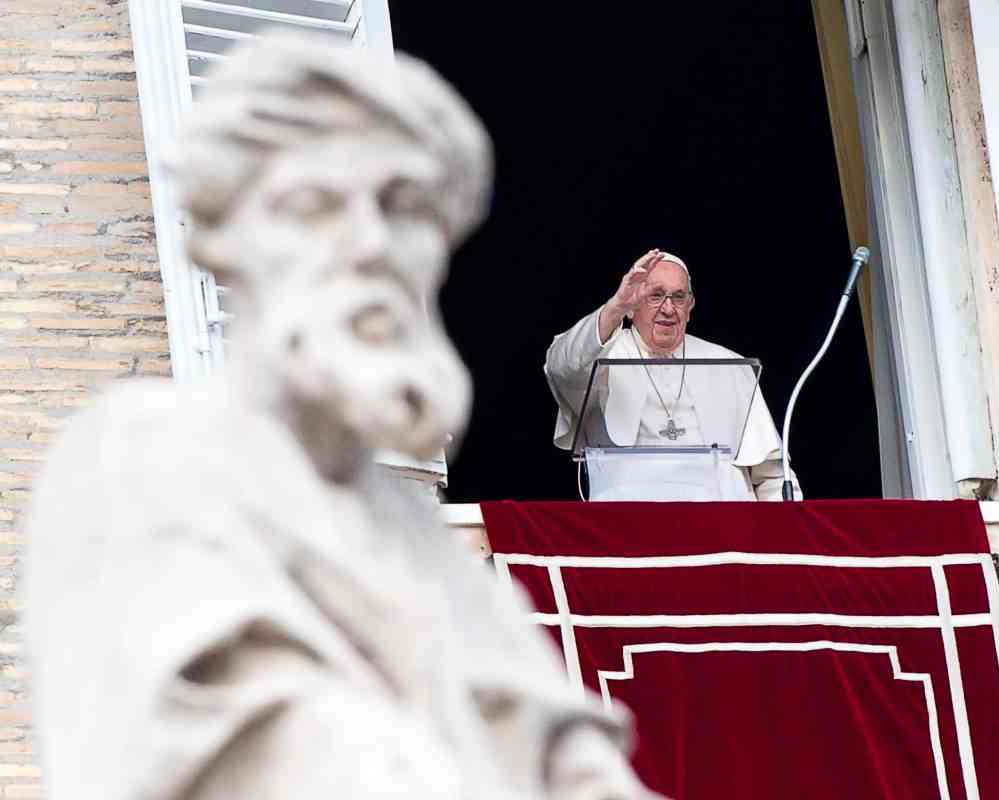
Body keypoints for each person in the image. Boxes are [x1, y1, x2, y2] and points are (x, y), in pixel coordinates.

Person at [24, 34, 659, 800]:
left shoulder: (428, 549)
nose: (370, 244)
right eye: (314, 203)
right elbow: (264, 755)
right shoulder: (139, 458)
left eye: (405, 209)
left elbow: (572, 762)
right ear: (228, 237)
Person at [546, 249, 784, 500]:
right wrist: (615, 307)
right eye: (655, 296)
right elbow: (561, 367)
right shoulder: (600, 354)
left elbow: (773, 475)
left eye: (678, 297)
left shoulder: (730, 365)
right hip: (628, 525)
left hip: (725, 528)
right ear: (631, 306)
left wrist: (780, 534)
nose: (668, 308)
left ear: (690, 306)